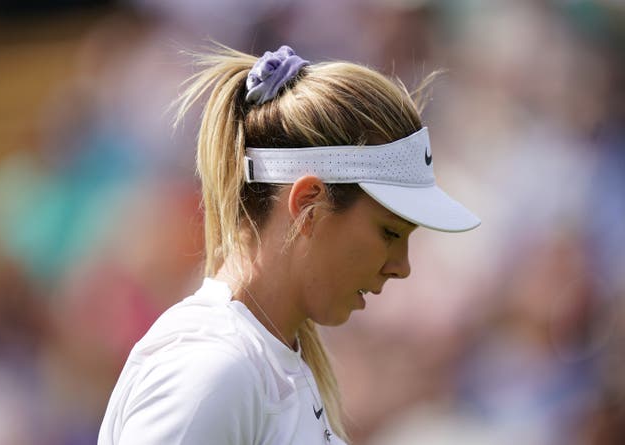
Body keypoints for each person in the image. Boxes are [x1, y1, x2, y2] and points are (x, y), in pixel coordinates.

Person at [98, 44, 480, 445]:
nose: (402, 267)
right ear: (308, 204)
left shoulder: (269, 361)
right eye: (389, 232)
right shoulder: (214, 370)